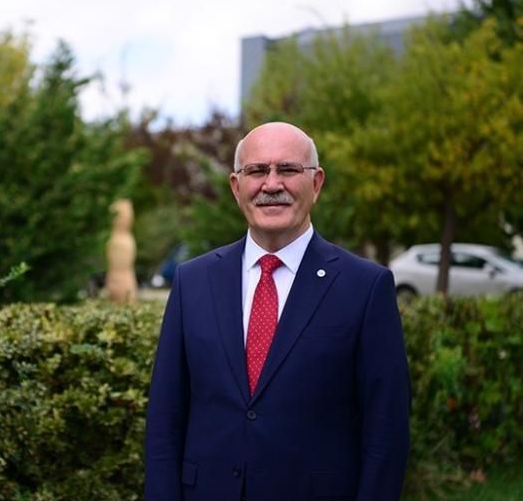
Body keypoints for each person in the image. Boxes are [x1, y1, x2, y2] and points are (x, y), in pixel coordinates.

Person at [144, 122, 410, 500]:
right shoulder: (193, 281)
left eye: (287, 169)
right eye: (257, 171)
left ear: (316, 183)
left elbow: (386, 432)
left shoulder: (365, 287)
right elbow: (165, 419)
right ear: (236, 187)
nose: (271, 184)